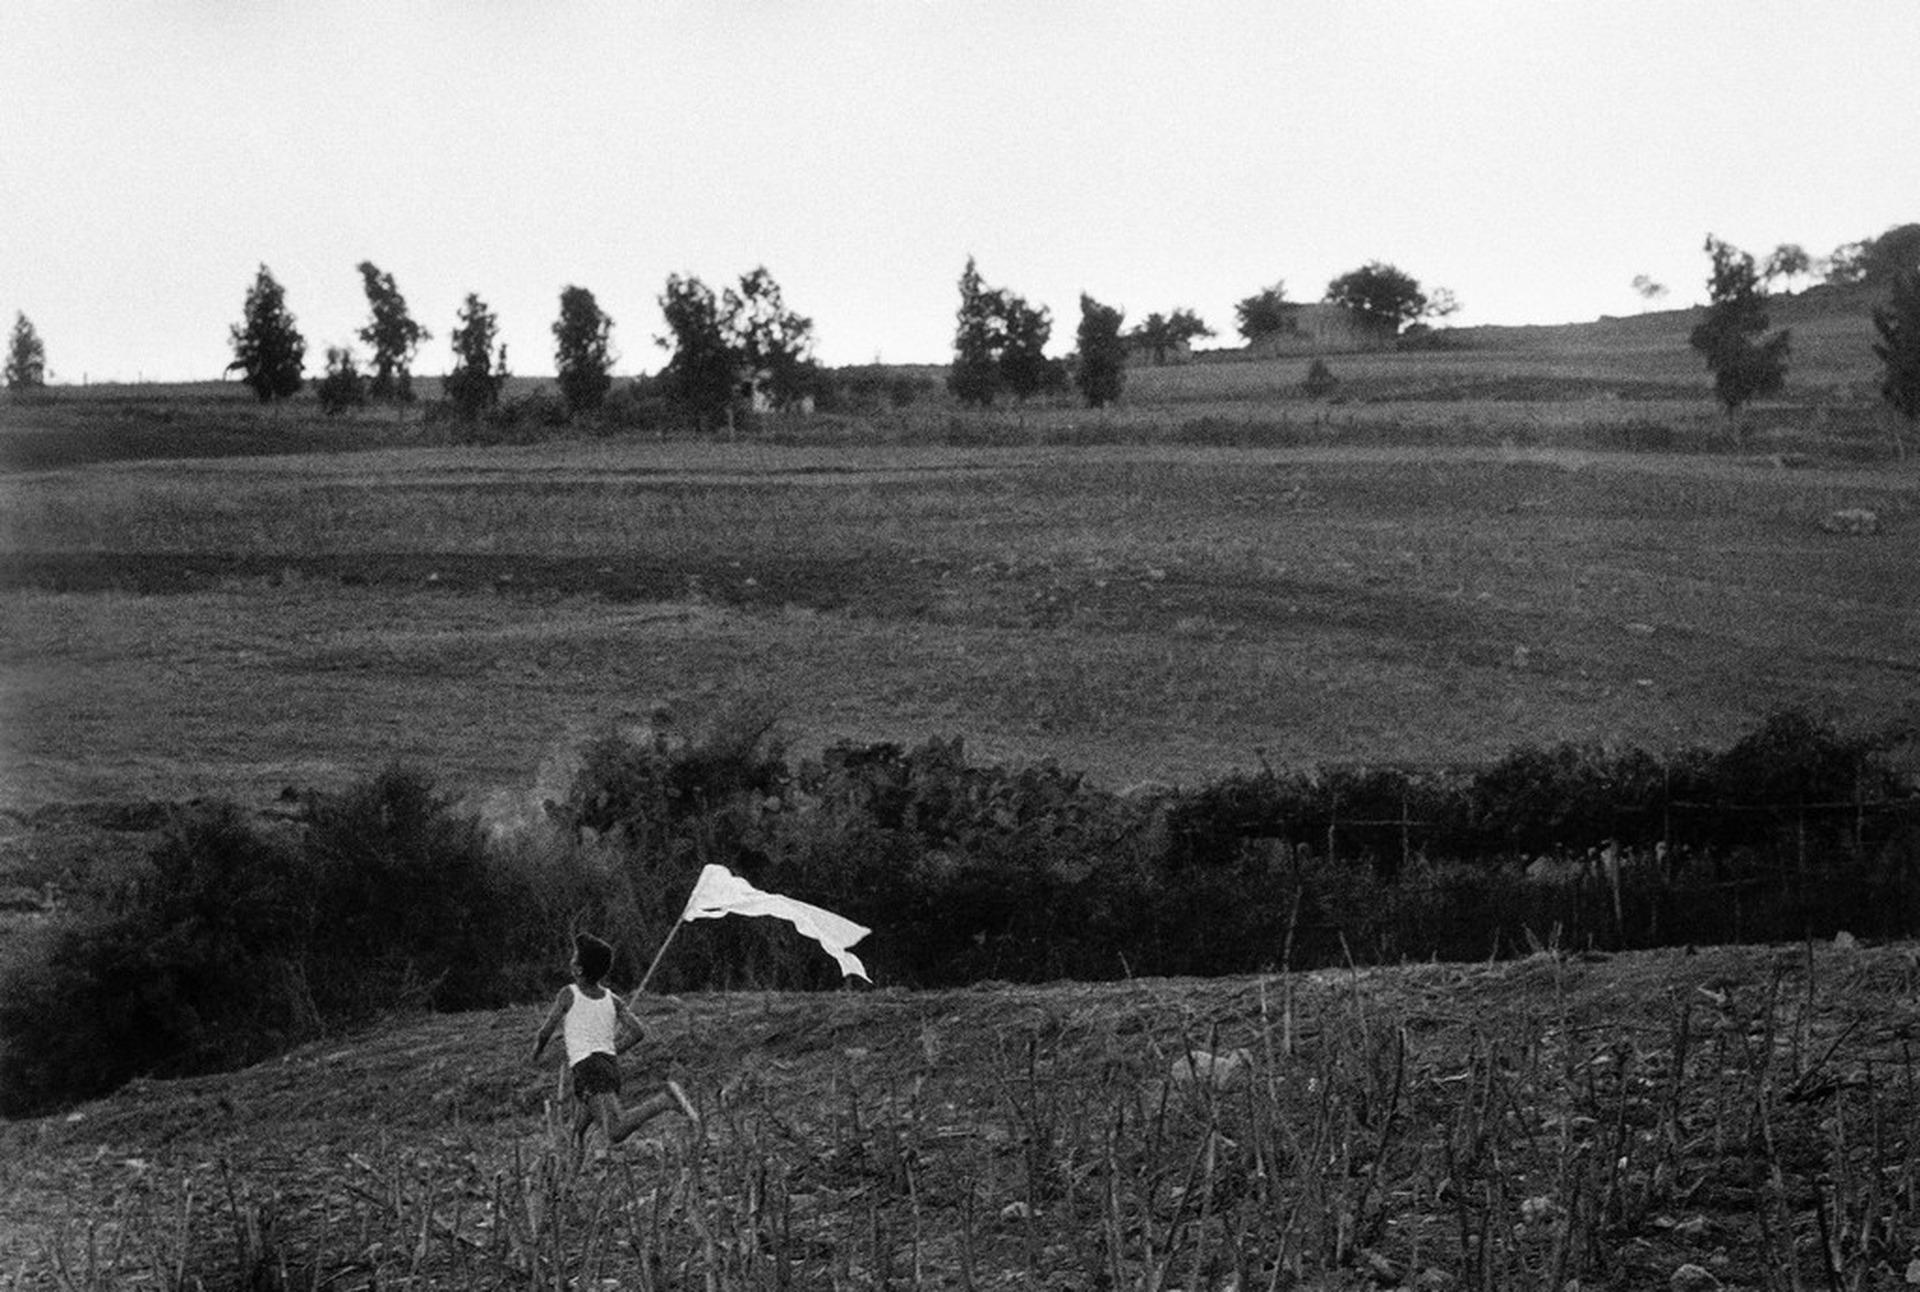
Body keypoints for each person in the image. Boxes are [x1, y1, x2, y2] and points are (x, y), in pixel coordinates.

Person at [530, 933, 698, 1151]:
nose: (571, 960)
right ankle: (571, 1178)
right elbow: (638, 1031)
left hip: (589, 1070)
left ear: (578, 969)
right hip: (607, 1068)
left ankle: (664, 1101)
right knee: (576, 1131)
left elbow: (545, 1031)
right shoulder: (613, 998)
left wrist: (536, 1053)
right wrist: (611, 1051)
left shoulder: (568, 994)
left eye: (574, 957)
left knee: (615, 1131)